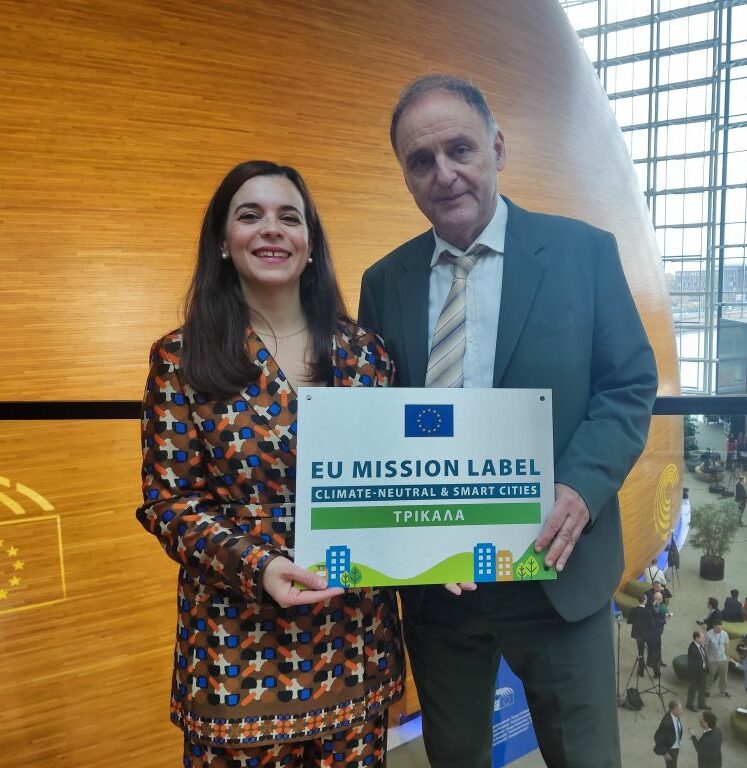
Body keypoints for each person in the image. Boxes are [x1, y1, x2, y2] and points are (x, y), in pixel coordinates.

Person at [358, 74, 658, 768]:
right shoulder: (384, 282)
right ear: (405, 175)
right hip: (440, 589)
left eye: (459, 149)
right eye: (421, 161)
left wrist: (579, 489)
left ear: (496, 147)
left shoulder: (584, 253)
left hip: (557, 572)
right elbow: (379, 417)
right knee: (455, 755)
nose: (444, 174)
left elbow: (628, 384)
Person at [136, 161, 404, 765]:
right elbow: (169, 504)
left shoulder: (366, 354)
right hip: (237, 647)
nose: (272, 229)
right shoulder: (181, 357)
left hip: (353, 640)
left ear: (310, 243)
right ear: (223, 242)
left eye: (290, 217)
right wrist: (259, 566)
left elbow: (398, 484)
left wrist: (447, 540)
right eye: (249, 215)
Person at [628, 593, 657, 674]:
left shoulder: (633, 610)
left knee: (640, 652)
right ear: (644, 600)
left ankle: (641, 671)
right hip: (648, 634)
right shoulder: (648, 612)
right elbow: (652, 625)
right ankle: (656, 671)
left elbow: (629, 621)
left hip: (638, 634)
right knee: (652, 651)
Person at [653, 700, 684, 766]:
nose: (681, 711)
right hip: (671, 749)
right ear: (672, 710)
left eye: (681, 709)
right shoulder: (666, 723)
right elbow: (658, 737)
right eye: (679, 710)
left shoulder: (675, 715)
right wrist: (664, 753)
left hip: (675, 746)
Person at [686, 630, 711, 712]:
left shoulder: (700, 645)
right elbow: (694, 664)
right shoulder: (692, 649)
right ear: (697, 638)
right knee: (692, 689)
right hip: (695, 674)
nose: (704, 639)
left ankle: (701, 704)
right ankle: (689, 705)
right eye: (702, 637)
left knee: (702, 689)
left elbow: (704, 657)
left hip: (703, 672)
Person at [706, 621, 731, 698]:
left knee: (724, 676)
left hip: (723, 659)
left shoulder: (724, 634)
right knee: (710, 676)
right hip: (713, 660)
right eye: (718, 628)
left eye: (721, 627)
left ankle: (723, 690)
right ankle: (707, 690)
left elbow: (727, 645)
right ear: (714, 626)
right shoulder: (709, 634)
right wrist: (708, 657)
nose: (720, 629)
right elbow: (706, 646)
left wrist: (727, 656)